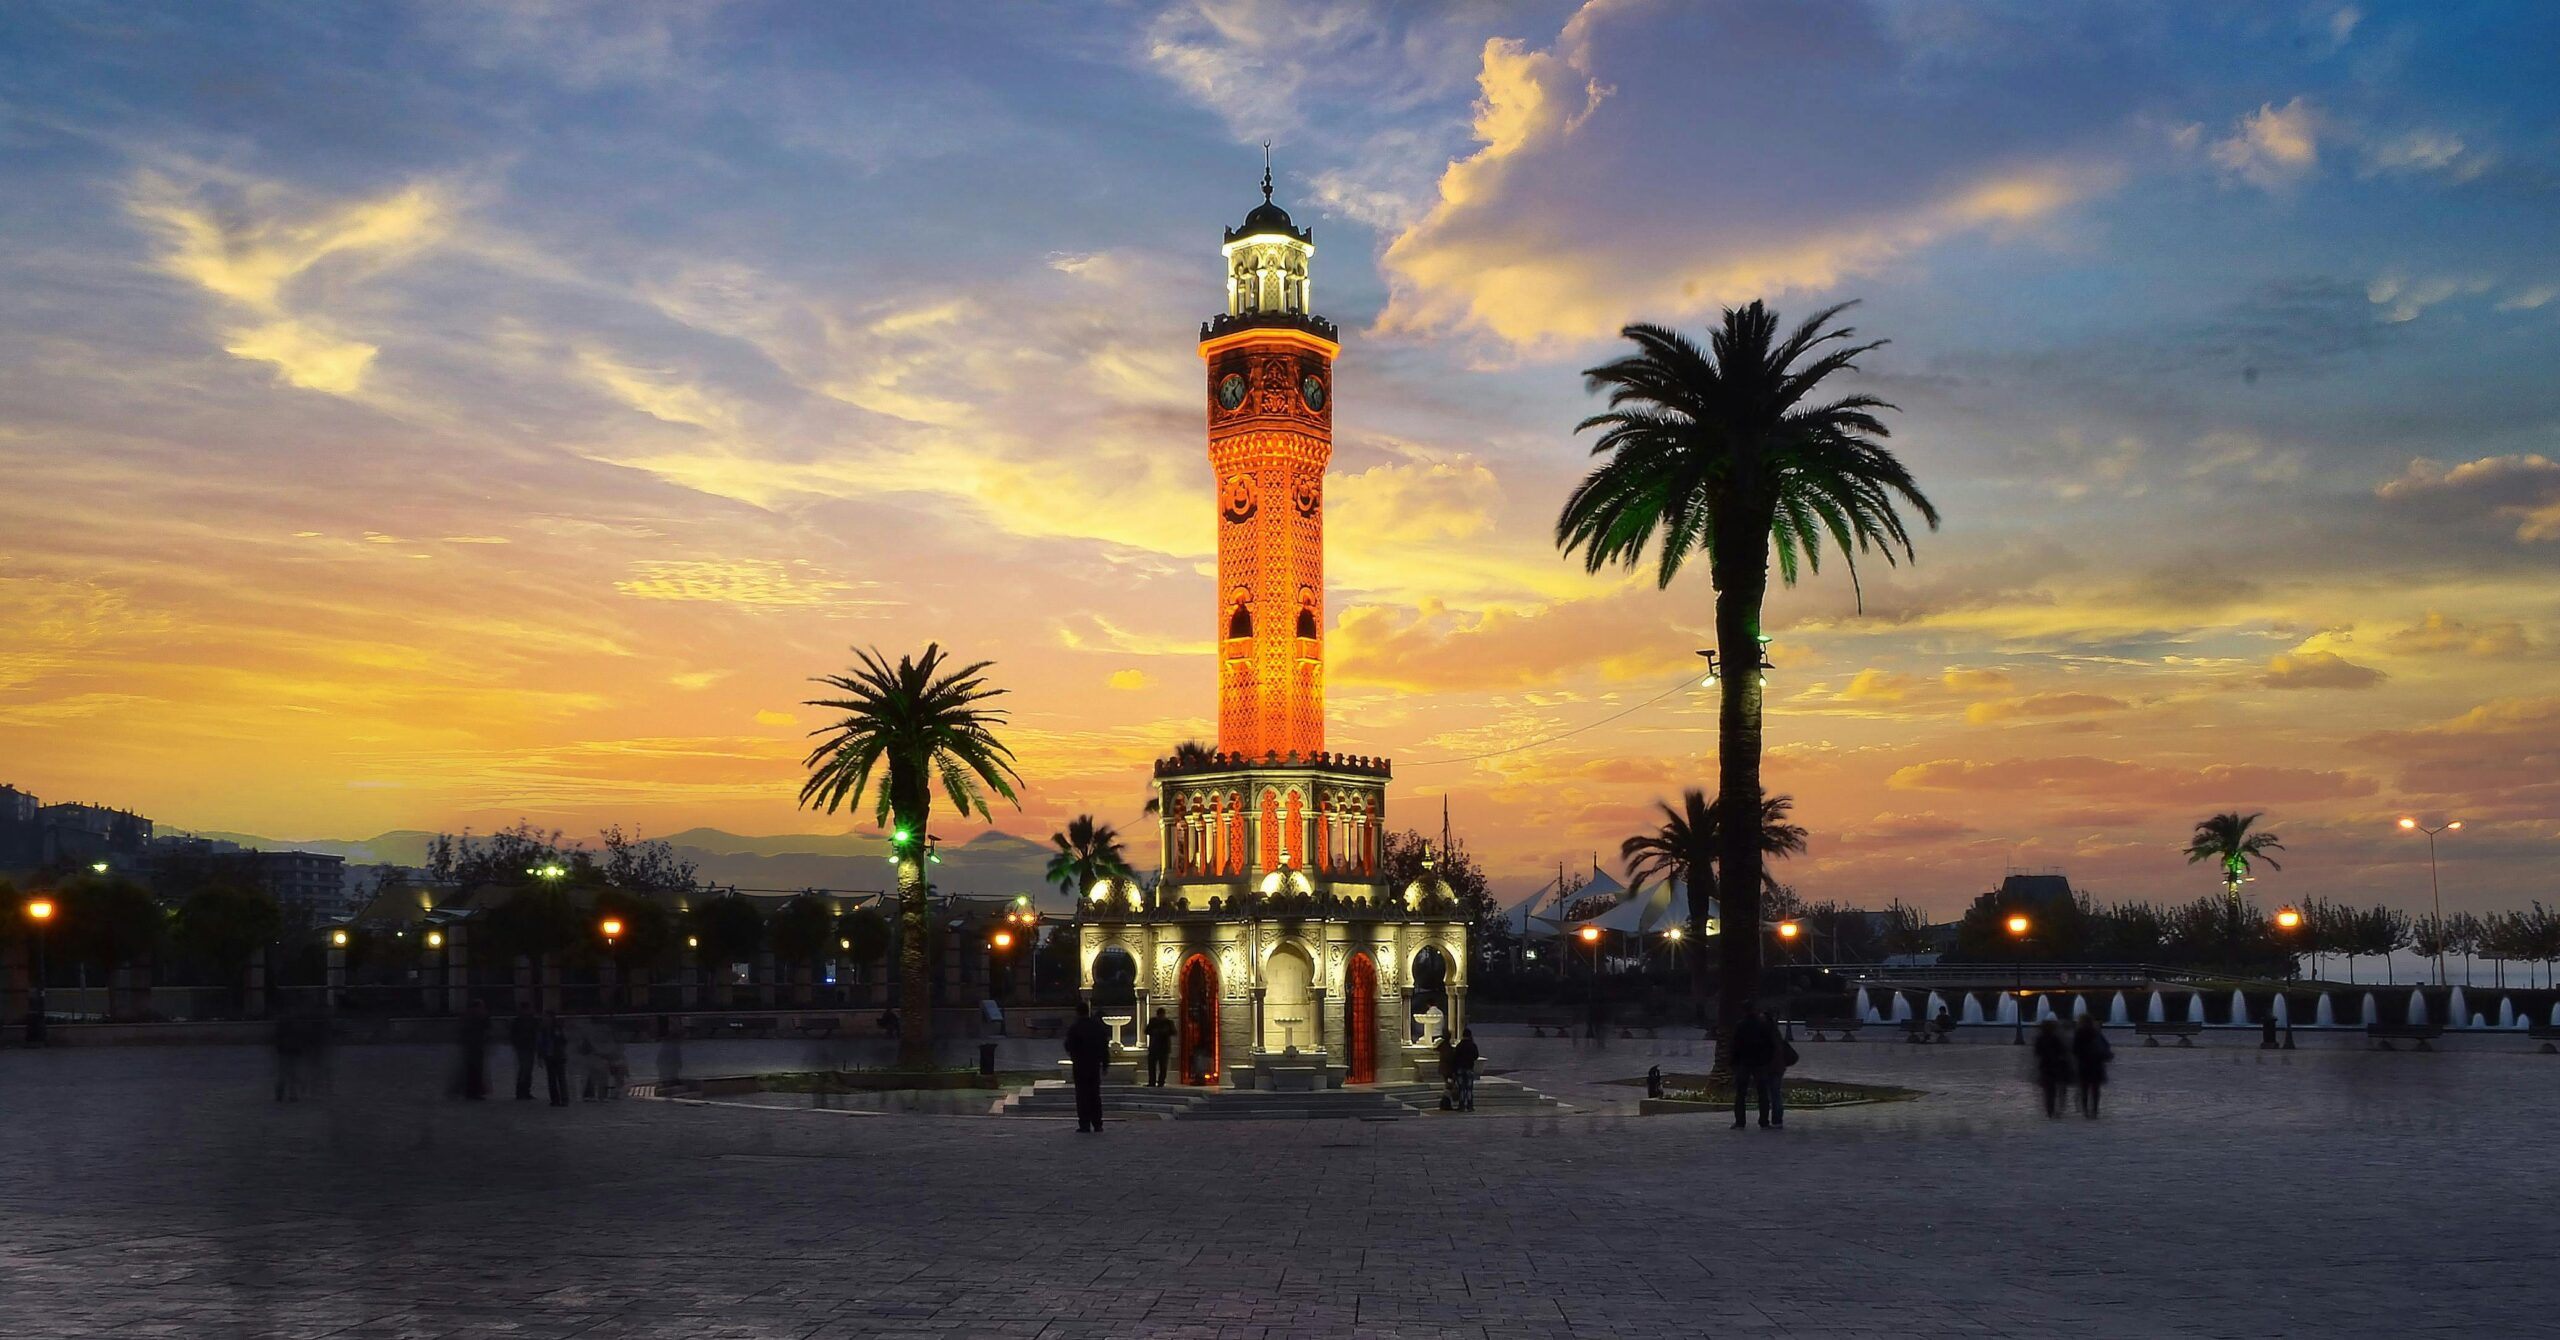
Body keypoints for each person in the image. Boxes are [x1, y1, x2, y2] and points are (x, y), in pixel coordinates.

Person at [1063, 1000, 1110, 1132]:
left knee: (1082, 1095)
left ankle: (1084, 1124)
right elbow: (1104, 1045)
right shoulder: (1096, 1026)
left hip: (1080, 1065)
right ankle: (1097, 1123)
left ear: (1077, 1012)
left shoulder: (1075, 1027)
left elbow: (1068, 1045)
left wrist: (1074, 1056)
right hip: (1094, 1064)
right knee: (1095, 1094)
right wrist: (1105, 1063)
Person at [1730, 1010, 1776, 1129]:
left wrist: (1734, 1062)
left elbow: (1735, 1045)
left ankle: (1740, 1121)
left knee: (1741, 1094)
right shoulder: (1761, 1026)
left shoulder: (1740, 1025)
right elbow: (1769, 1044)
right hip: (1759, 1063)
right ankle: (1764, 1121)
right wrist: (1767, 1060)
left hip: (1744, 1062)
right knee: (1762, 1093)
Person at [1756, 1009, 1795, 1129]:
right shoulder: (1775, 1034)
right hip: (1776, 1068)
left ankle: (1772, 1120)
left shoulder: (1766, 1035)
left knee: (1771, 1094)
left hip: (1770, 1067)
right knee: (1775, 1094)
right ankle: (1776, 1120)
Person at [2072, 1015, 2113, 1118]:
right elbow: (2106, 1046)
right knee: (2095, 1089)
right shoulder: (2096, 1033)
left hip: (2084, 1064)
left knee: (2084, 1089)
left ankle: (2085, 1111)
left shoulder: (2078, 1034)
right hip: (2096, 1064)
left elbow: (2074, 1050)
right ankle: (2094, 1110)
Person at [2033, 1017, 2073, 1118]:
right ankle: (2052, 1109)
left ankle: (2049, 1109)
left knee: (2048, 1090)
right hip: (2054, 1066)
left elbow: (2037, 1052)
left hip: (2045, 1066)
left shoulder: (2040, 1039)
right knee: (2052, 1089)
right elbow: (2062, 1051)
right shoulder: (2055, 1038)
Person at [457, 999, 491, 1100]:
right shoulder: (477, 1017)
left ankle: (472, 1091)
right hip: (474, 1046)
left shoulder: (467, 1016)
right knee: (474, 1070)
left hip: (473, 1046)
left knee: (472, 1070)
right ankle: (473, 1092)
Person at [537, 1011, 571, 1106]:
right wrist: (540, 1056)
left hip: (558, 1056)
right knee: (552, 1079)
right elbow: (540, 1044)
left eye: (547, 1018)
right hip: (549, 1056)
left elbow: (564, 1041)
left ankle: (564, 1099)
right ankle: (555, 1099)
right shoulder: (542, 1030)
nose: (545, 1020)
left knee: (561, 1078)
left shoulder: (557, 1028)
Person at [509, 1003, 540, 1101]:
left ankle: (524, 1091)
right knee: (524, 1069)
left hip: (527, 1047)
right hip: (524, 1047)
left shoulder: (528, 1021)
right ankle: (522, 1091)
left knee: (526, 1070)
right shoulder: (522, 1021)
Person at [1143, 1006, 1176, 1088]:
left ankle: (1161, 1082)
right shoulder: (1153, 1021)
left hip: (1164, 1048)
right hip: (1154, 1047)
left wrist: (1165, 1032)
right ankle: (1152, 1082)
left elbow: (1174, 1032)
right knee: (1152, 1066)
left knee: (1163, 1067)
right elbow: (1146, 1031)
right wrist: (1154, 1031)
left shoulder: (1168, 1022)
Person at [1453, 1027, 1481, 1112]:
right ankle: (1469, 1105)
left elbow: (1455, 1058)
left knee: (1462, 1088)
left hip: (1460, 1068)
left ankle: (1461, 1105)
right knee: (1469, 1088)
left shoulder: (1459, 1046)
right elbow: (1476, 1056)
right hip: (1469, 1068)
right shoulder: (1472, 1045)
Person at [1434, 1032, 1457, 1110]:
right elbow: (1449, 1059)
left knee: (1448, 1086)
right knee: (1449, 1086)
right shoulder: (1446, 1047)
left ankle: (1446, 1103)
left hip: (1445, 1070)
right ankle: (1445, 1104)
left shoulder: (1443, 1045)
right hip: (1448, 1070)